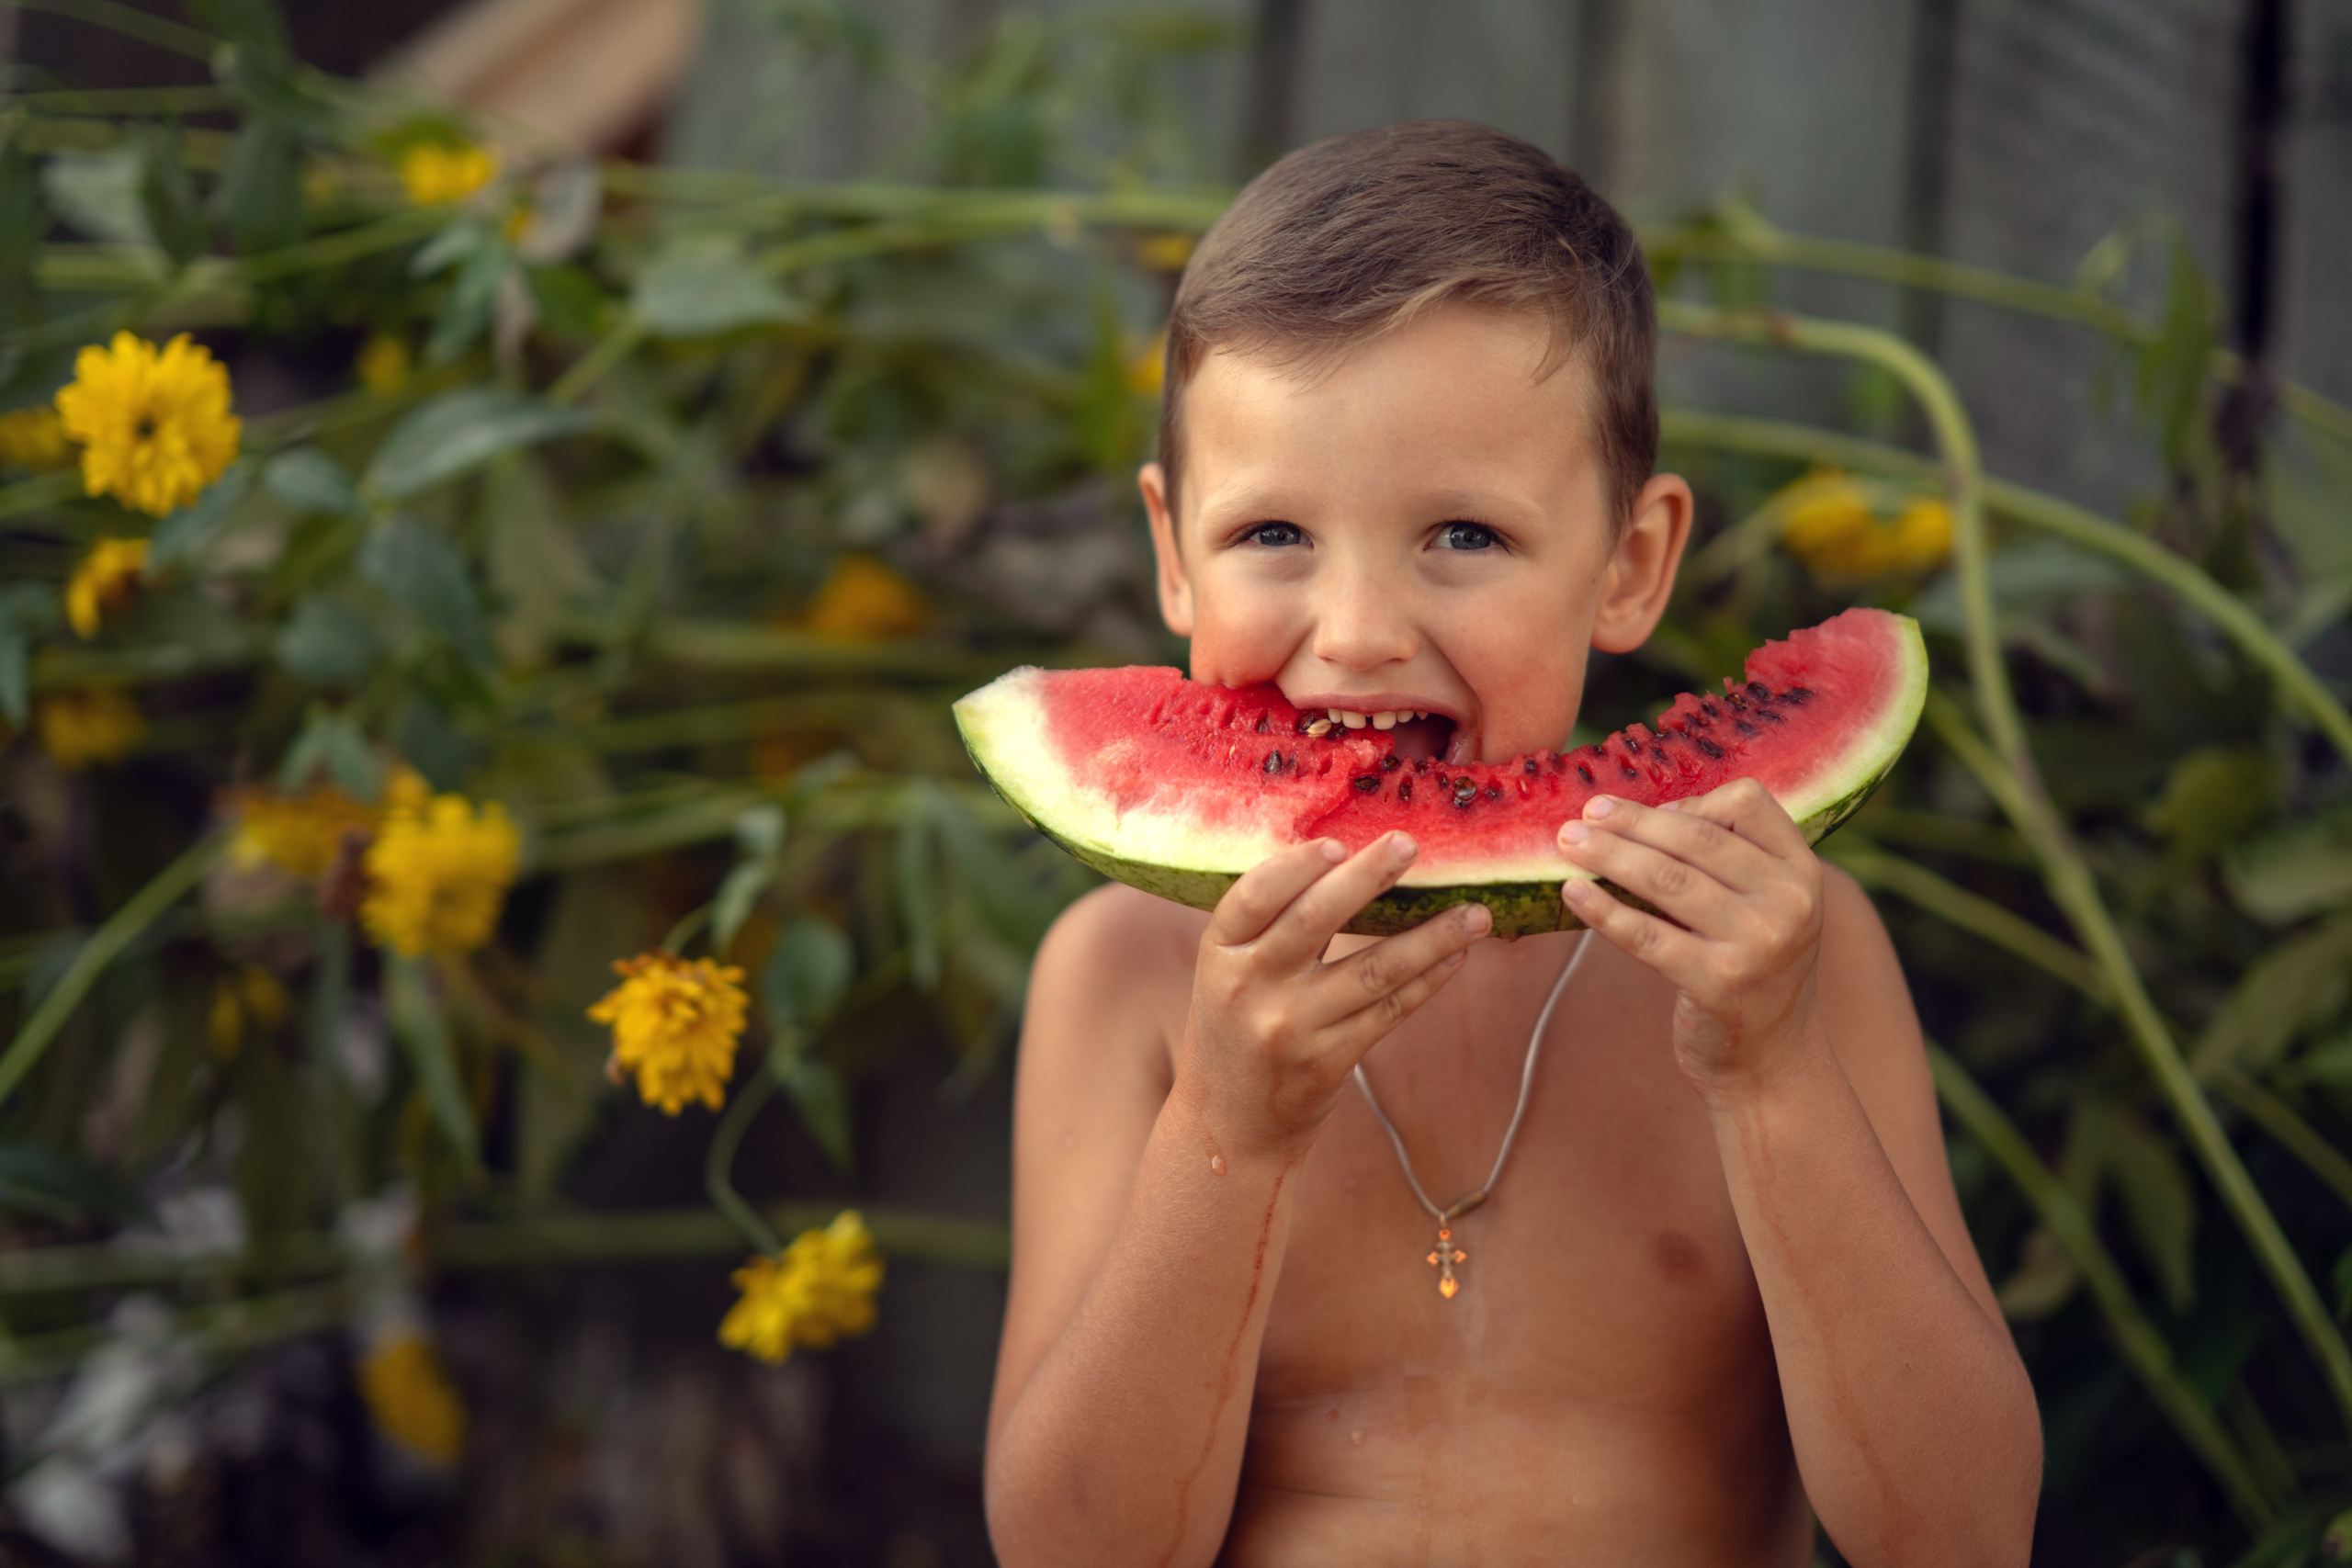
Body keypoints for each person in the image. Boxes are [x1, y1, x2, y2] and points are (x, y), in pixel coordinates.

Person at [982, 120, 2041, 1567]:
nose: (1356, 633)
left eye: (1464, 536)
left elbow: (1962, 1534)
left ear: (1631, 564)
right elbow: (1072, 1552)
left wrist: (1774, 1076)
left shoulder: (1781, 953)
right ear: (1172, 553)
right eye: (1274, 533)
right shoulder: (1119, 977)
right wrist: (1221, 1140)